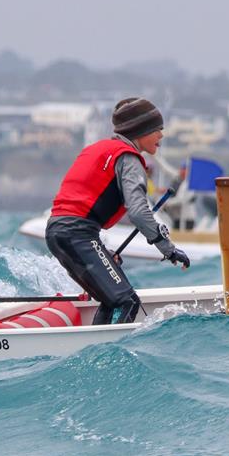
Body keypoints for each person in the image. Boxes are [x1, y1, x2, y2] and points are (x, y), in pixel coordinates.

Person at [46, 97, 190, 326]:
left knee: (111, 299)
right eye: (156, 129)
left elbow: (80, 207)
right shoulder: (129, 158)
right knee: (127, 302)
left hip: (58, 231)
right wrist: (169, 250)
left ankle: (95, 348)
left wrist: (101, 253)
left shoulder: (98, 149)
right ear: (140, 131)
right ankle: (108, 356)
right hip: (77, 234)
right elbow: (139, 213)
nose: (161, 135)